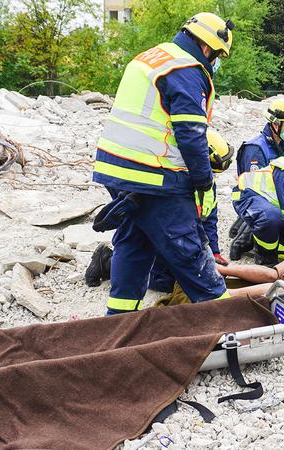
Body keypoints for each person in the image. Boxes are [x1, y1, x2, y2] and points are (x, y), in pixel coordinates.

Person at [91, 12, 234, 315]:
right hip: (153, 174)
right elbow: (191, 133)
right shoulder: (186, 68)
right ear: (208, 47)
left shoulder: (152, 57)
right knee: (188, 249)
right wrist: (203, 182)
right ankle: (227, 319)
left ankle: (119, 319)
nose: (216, 63)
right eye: (219, 56)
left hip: (115, 168)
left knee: (134, 242)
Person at [148, 129, 234, 292]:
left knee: (202, 276)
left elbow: (209, 219)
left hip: (183, 235)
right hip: (162, 238)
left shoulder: (207, 184)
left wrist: (214, 253)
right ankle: (108, 260)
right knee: (165, 282)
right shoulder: (170, 183)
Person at [228, 98, 284, 259]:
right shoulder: (255, 149)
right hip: (253, 198)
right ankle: (249, 242)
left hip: (276, 197)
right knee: (271, 216)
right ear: (275, 124)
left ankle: (249, 228)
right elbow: (255, 189)